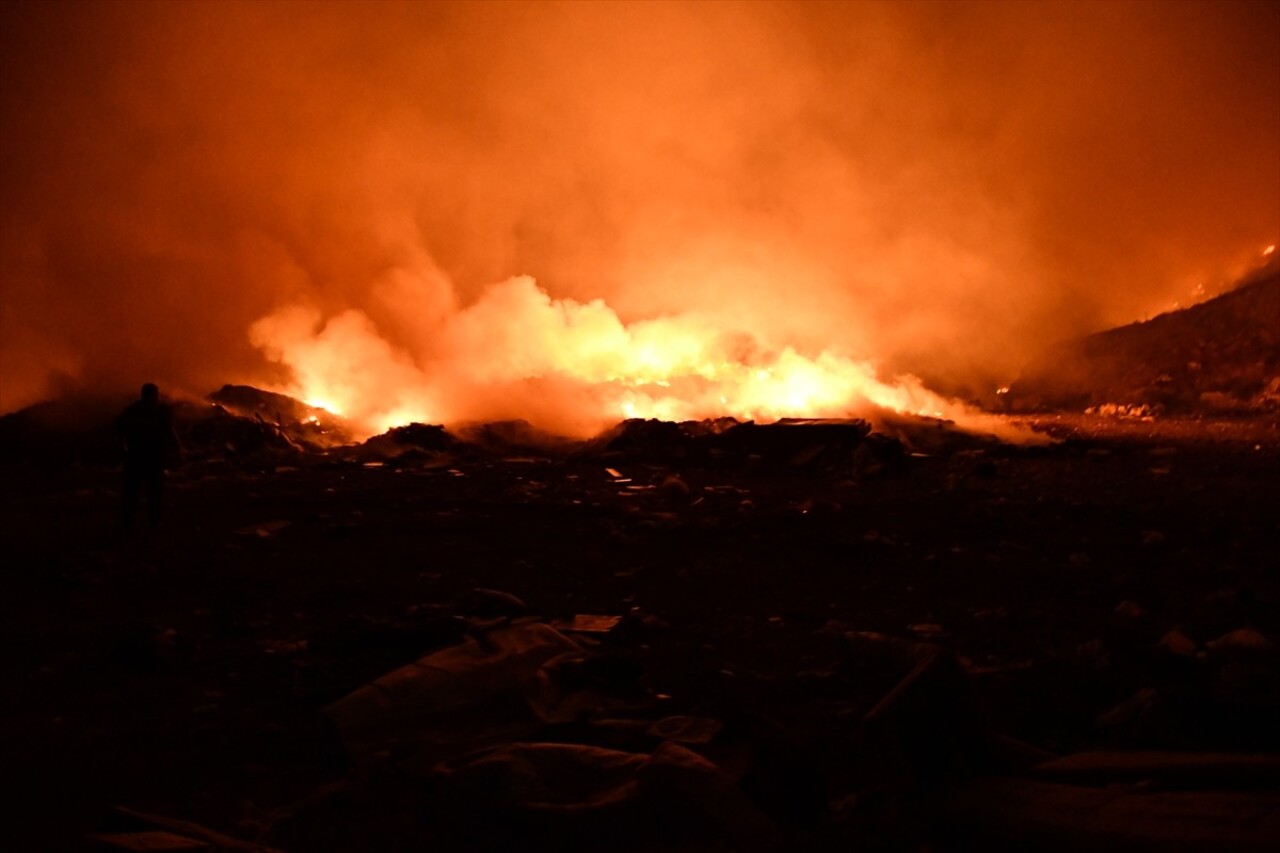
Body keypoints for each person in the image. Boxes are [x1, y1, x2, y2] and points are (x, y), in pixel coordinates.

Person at [115, 383, 181, 529]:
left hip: (137, 456)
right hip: (151, 456)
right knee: (152, 491)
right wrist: (177, 448)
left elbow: (119, 427)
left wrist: (123, 447)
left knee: (134, 491)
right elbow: (170, 431)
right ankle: (151, 522)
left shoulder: (134, 409)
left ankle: (129, 523)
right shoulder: (160, 410)